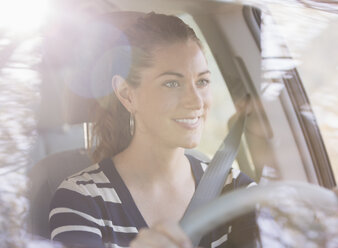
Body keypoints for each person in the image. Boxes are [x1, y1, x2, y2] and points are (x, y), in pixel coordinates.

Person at [49, 12, 258, 248]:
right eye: (171, 83)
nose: (197, 102)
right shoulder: (82, 199)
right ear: (127, 94)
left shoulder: (237, 191)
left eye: (202, 81)